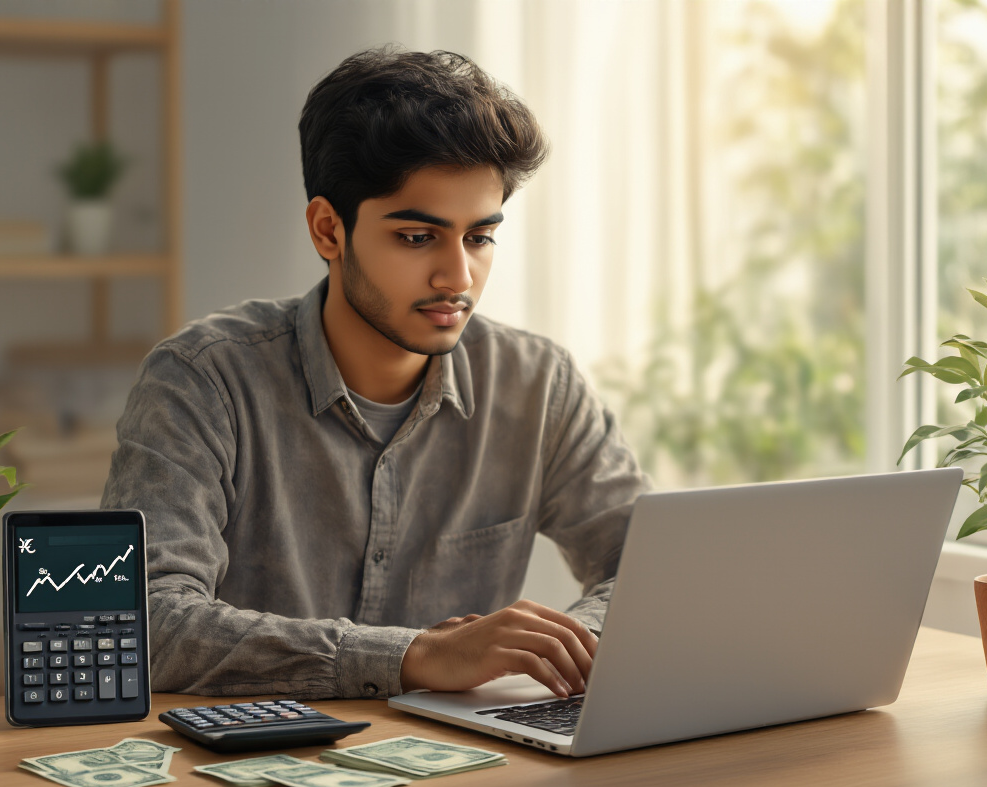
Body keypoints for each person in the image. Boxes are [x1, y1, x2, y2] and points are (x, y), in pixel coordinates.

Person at [101, 47, 650, 702]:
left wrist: (563, 645)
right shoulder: (201, 381)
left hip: (466, 772)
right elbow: (143, 622)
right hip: (254, 776)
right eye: (418, 238)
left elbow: (655, 572)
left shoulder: (537, 385)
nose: (458, 277)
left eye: (479, 237)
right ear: (329, 230)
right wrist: (413, 656)